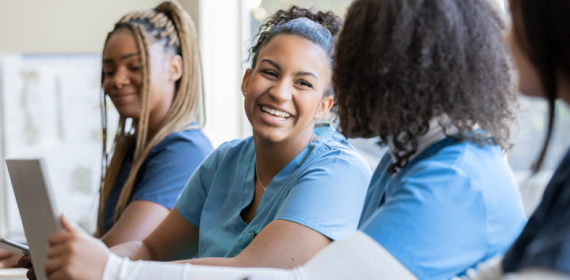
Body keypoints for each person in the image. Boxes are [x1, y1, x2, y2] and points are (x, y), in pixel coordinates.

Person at [38, 0, 528, 280]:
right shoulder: (403, 163)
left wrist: (111, 272)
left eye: (352, 66)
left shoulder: (454, 177)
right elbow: (149, 250)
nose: (348, 84)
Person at [8, 0, 213, 274]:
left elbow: (115, 255)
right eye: (108, 70)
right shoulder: (133, 150)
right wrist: (35, 252)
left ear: (175, 68)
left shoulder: (184, 150)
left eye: (135, 66)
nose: (117, 80)